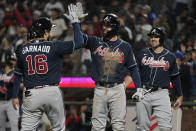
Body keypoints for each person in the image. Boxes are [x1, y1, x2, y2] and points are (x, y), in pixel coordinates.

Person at [11, 4, 84, 131]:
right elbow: (80, 42)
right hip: (51, 92)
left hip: (31, 93)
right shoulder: (54, 46)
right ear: (45, 32)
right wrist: (76, 22)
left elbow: (17, 74)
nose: (50, 32)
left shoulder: (22, 48)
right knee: (58, 128)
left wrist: (13, 96)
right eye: (49, 30)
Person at [71, 4, 142, 130]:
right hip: (99, 89)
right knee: (97, 126)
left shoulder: (125, 46)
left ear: (115, 27)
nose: (104, 28)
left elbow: (133, 68)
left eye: (108, 25)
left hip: (117, 89)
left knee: (118, 125)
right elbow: (79, 42)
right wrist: (76, 22)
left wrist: (139, 88)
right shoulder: (95, 41)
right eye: (103, 25)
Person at [132, 27, 183, 131]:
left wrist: (180, 95)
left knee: (166, 127)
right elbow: (134, 72)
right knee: (142, 128)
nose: (153, 39)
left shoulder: (170, 56)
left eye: (156, 37)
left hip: (162, 93)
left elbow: (175, 77)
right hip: (144, 92)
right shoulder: (142, 53)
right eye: (151, 37)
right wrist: (138, 88)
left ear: (162, 38)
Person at [0, 51, 19, 131]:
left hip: (12, 101)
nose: (14, 62)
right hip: (0, 102)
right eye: (12, 60)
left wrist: (16, 83)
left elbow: (23, 85)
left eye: (15, 60)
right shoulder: (1, 71)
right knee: (1, 126)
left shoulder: (17, 72)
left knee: (14, 125)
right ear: (8, 59)